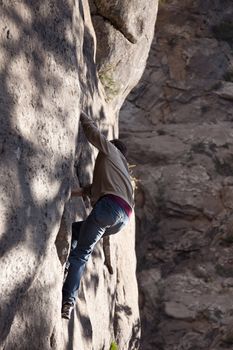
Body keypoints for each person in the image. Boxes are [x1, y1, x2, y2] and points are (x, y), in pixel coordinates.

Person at [61, 111, 134, 319]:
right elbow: (90, 191)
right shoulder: (122, 175)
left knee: (82, 254)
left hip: (109, 208)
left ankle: (68, 300)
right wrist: (66, 193)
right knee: (78, 231)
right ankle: (69, 267)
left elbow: (93, 133)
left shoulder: (111, 151)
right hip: (122, 219)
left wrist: (80, 112)